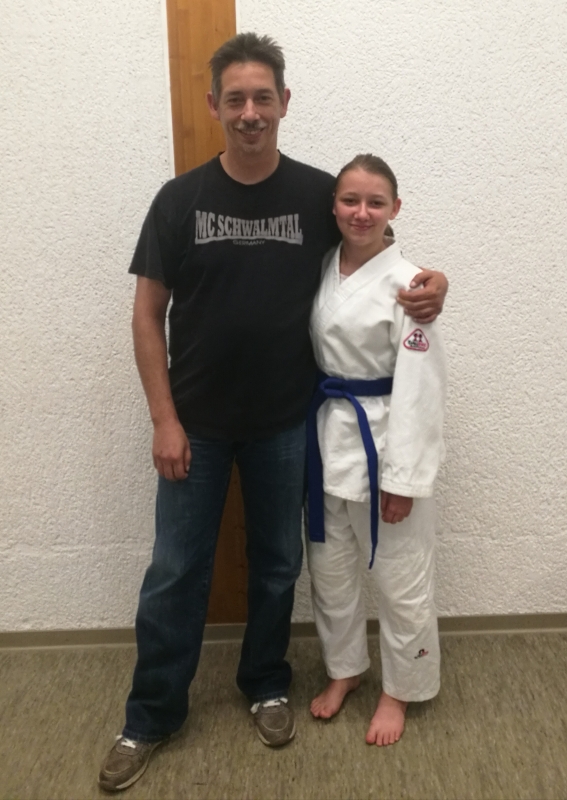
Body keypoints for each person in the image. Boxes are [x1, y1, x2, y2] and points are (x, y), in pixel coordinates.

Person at [98, 34, 449, 792]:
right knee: (175, 570)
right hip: (194, 423)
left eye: (263, 97)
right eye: (236, 99)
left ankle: (264, 682)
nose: (250, 112)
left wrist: (435, 282)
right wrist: (162, 419)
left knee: (279, 564)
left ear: (284, 103)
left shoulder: (316, 195)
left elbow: (373, 241)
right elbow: (146, 315)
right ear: (214, 105)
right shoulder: (179, 200)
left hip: (288, 425)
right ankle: (150, 716)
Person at [306, 154, 447, 747]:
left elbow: (421, 391)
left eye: (375, 202)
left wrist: (403, 480)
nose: (361, 213)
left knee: (400, 577)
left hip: (385, 443)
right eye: (350, 200)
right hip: (326, 436)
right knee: (330, 570)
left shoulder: (411, 287)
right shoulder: (322, 264)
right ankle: (346, 668)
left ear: (395, 208)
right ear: (334, 206)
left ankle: (400, 688)